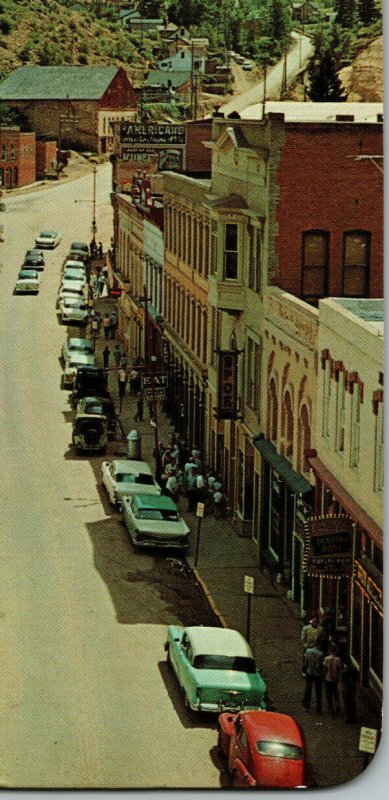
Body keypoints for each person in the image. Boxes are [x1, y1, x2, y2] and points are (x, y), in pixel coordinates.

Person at [302, 637, 325, 714]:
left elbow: (305, 662)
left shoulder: (308, 651)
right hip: (317, 674)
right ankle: (319, 708)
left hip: (309, 672)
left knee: (308, 689)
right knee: (318, 691)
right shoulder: (321, 654)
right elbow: (320, 665)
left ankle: (306, 705)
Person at [323, 643, 342, 715]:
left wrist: (324, 675)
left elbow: (324, 668)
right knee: (336, 693)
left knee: (328, 694)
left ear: (330, 650)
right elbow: (339, 668)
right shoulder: (338, 659)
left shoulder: (326, 658)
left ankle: (330, 709)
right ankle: (338, 707)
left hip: (328, 678)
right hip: (335, 678)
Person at [340, 657, 359, 723]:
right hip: (353, 687)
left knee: (346, 702)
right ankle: (353, 716)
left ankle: (347, 717)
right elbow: (357, 679)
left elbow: (342, 680)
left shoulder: (343, 671)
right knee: (352, 702)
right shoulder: (354, 670)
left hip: (345, 688)